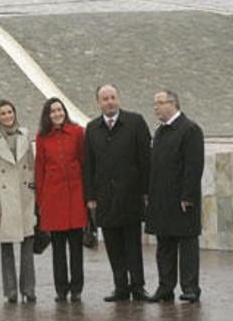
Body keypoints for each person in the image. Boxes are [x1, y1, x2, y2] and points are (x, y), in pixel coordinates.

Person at [84, 84, 151, 302]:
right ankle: (121, 287)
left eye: (113, 97)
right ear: (98, 103)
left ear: (118, 99)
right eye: (105, 99)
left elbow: (145, 160)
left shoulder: (136, 122)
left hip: (131, 196)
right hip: (105, 198)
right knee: (113, 246)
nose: (110, 102)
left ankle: (138, 286)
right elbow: (89, 165)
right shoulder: (92, 129)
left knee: (133, 245)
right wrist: (90, 196)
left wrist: (146, 190)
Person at [145, 90, 204, 303]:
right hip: (162, 200)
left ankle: (190, 287)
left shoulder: (190, 130)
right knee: (165, 246)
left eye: (159, 103)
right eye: (154, 104)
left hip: (182, 200)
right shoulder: (160, 131)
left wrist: (188, 196)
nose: (156, 108)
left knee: (187, 244)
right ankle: (165, 286)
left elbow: (193, 166)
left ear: (173, 103)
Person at [0, 100, 36, 304]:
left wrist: (34, 189)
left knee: (27, 245)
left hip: (25, 195)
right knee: (6, 247)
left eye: (10, 112)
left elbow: (31, 165)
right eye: (3, 113)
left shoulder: (24, 134)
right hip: (5, 198)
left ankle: (29, 288)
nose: (7, 116)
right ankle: (10, 291)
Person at [35, 97, 87, 302]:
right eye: (53, 111)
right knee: (58, 249)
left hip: (75, 196)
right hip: (53, 197)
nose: (57, 114)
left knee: (76, 247)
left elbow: (83, 162)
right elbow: (40, 169)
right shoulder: (42, 138)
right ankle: (60, 289)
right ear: (48, 115)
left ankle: (76, 288)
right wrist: (40, 201)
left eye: (60, 110)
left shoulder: (77, 133)